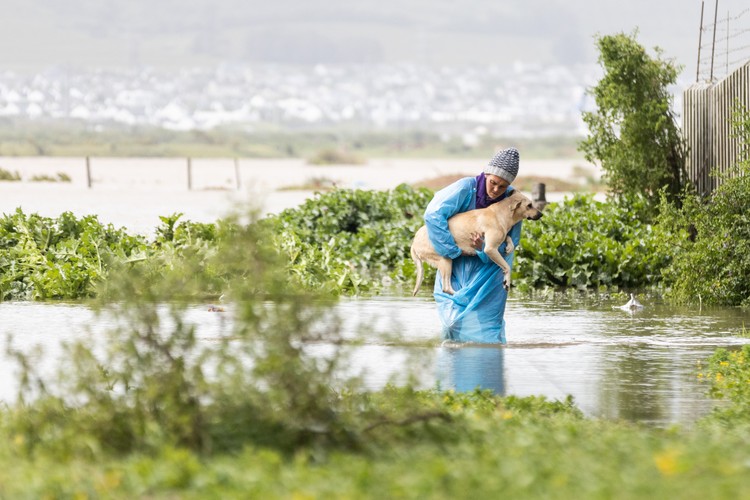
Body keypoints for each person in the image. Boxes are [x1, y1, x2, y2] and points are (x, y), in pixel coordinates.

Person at [422, 147, 522, 344]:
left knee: (488, 325)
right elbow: (433, 215)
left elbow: (511, 242)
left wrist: (482, 249)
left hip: (489, 272)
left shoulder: (513, 200)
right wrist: (452, 250)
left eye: (502, 187)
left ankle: (488, 369)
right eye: (493, 182)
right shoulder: (465, 188)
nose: (495, 190)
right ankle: (453, 368)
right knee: (452, 323)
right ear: (486, 174)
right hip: (457, 264)